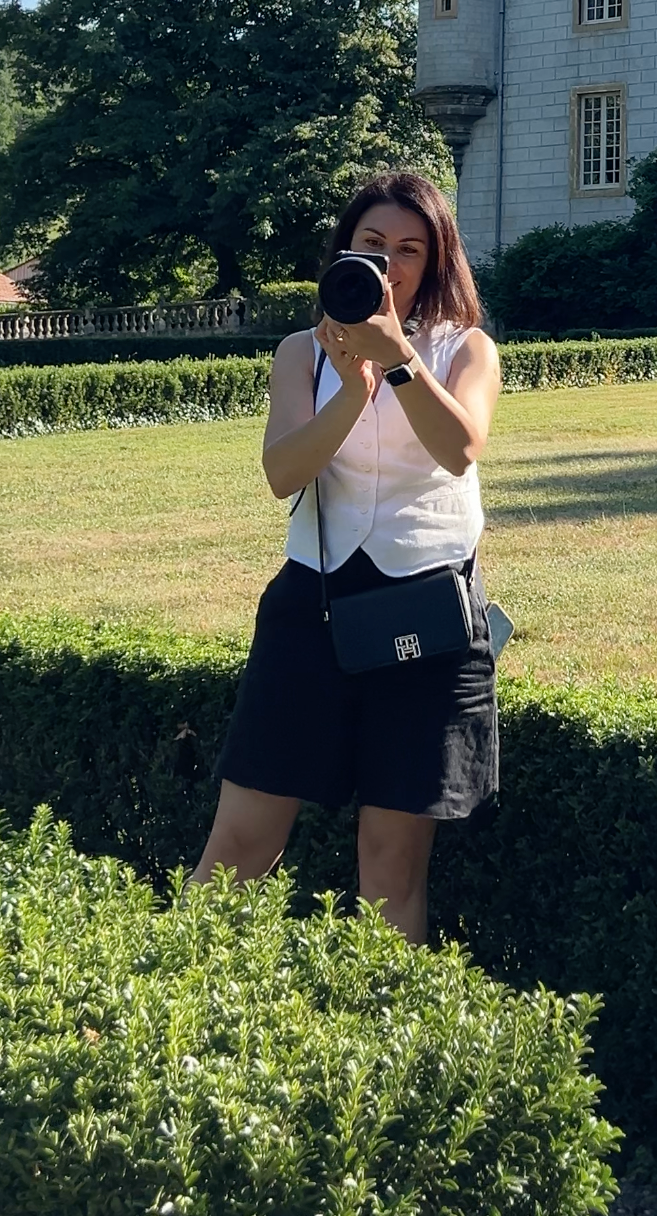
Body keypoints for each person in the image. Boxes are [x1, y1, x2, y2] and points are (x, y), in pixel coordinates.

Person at [190, 171, 502, 941]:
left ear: (434, 262)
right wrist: (351, 391)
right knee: (236, 848)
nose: (389, 263)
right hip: (311, 608)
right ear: (345, 250)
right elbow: (282, 472)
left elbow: (460, 449)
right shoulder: (301, 351)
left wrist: (398, 360)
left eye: (408, 249)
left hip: (424, 619)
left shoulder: (468, 349)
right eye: (372, 244)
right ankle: (171, 1010)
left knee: (390, 870)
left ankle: (379, 1045)